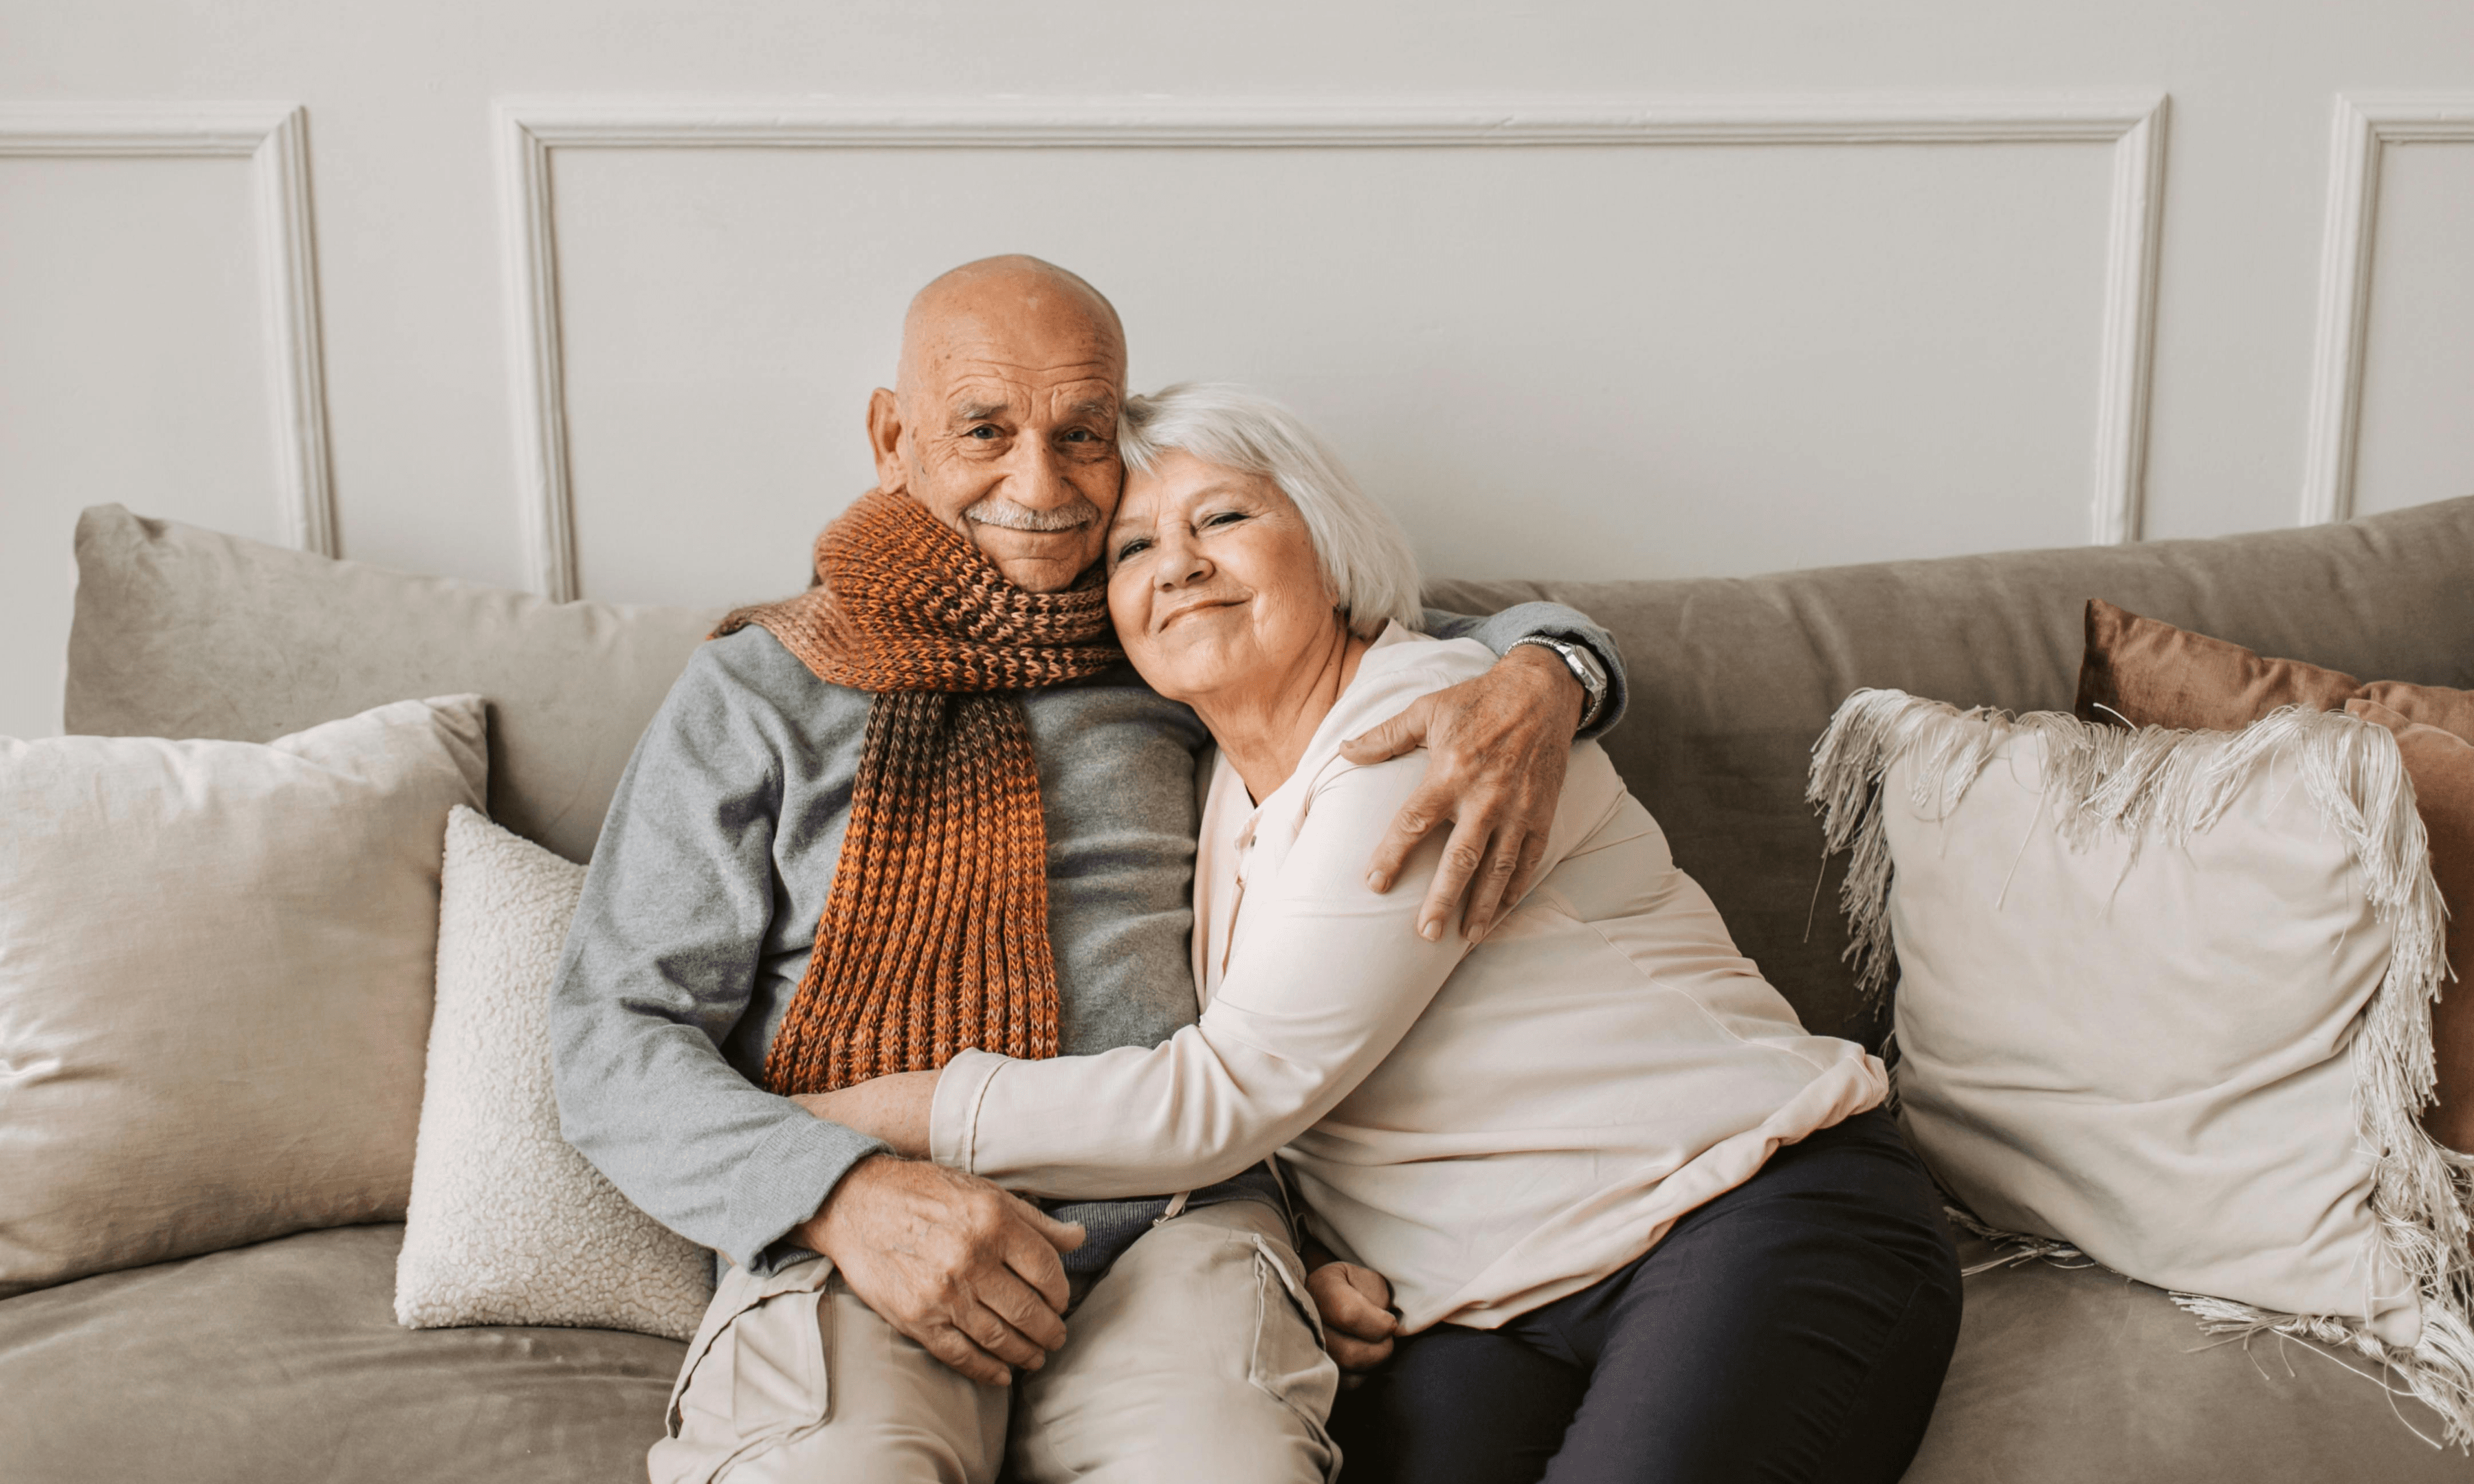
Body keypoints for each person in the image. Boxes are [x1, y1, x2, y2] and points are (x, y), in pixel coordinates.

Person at [548, 258, 1627, 1484]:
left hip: (1181, 1223)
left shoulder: (1171, 634)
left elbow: (1404, 655)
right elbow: (611, 1035)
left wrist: (1557, 669)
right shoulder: (761, 688)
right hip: (867, 1222)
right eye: (986, 432)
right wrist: (836, 1194)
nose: (1041, 484)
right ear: (892, 437)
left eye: (1082, 435)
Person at [801, 382, 1966, 1484]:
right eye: (1132, 549)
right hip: (1486, 1306)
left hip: (1748, 1210)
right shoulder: (1205, 786)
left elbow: (1229, 1092)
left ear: (1331, 545)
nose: (1179, 565)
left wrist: (839, 1122)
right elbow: (1316, 1076)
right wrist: (1308, 1250)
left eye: (1224, 516)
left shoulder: (1426, 731)